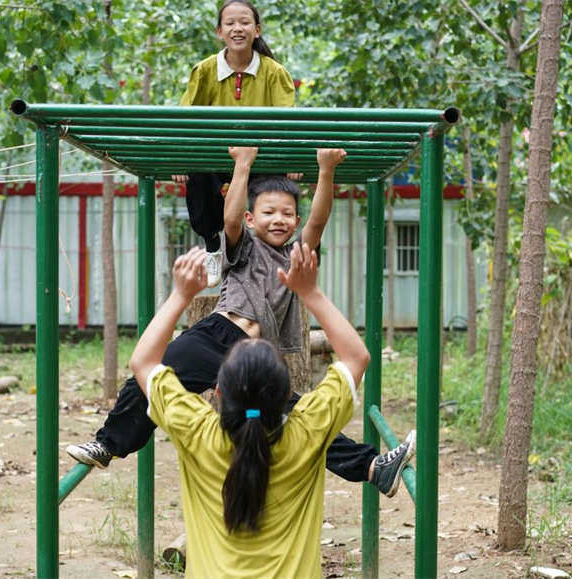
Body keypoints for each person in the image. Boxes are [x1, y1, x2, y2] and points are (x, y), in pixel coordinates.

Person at [67, 147, 412, 496]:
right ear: (251, 218)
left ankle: (372, 467)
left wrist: (325, 172)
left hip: (255, 355)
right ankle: (107, 444)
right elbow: (229, 220)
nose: (279, 219)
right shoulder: (243, 246)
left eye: (288, 214)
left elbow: (318, 221)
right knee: (148, 378)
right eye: (269, 212)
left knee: (299, 420)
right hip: (214, 336)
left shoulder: (296, 256)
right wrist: (242, 164)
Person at [130, 242, 415, 577]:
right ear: (285, 396)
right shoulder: (308, 428)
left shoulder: (194, 429)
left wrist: (181, 295)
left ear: (218, 391)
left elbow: (142, 361)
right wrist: (311, 292)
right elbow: (357, 357)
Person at [175, 0, 298, 287]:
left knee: (274, 192)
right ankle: (212, 244)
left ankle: (268, 254)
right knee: (199, 176)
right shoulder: (205, 71)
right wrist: (181, 159)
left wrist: (291, 160)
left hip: (260, 159)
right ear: (220, 32)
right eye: (230, 23)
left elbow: (287, 122)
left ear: (256, 30)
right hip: (217, 158)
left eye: (244, 22)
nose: (237, 28)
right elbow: (184, 118)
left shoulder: (274, 72)